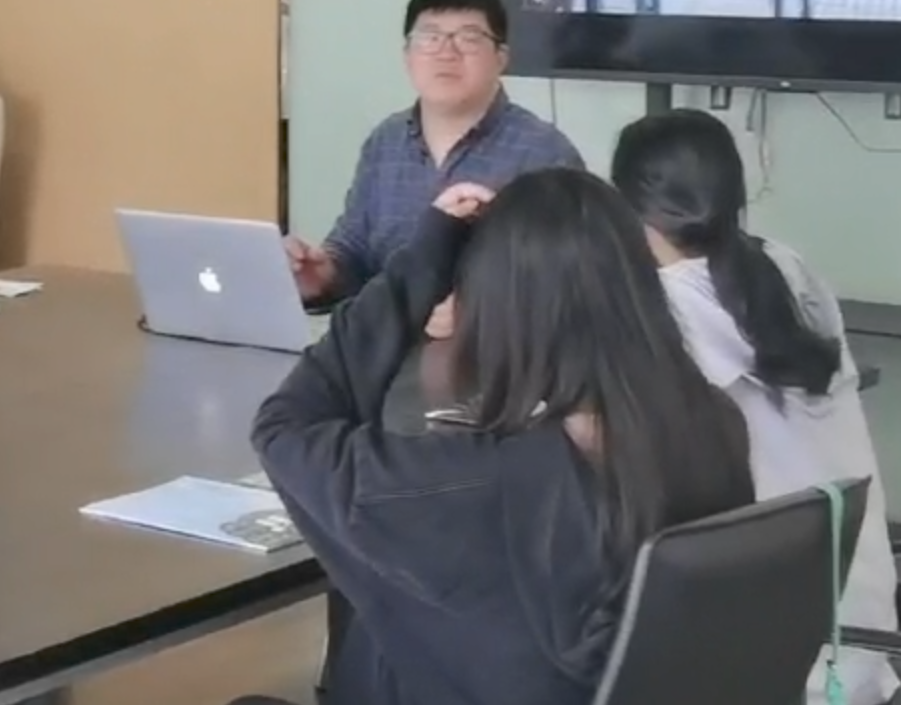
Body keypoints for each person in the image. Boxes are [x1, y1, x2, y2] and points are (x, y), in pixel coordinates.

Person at [248, 167, 753, 705]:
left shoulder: (468, 483)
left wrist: (423, 263)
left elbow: (284, 429)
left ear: (498, 309)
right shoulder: (712, 426)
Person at [612, 109, 900, 705]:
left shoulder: (665, 306)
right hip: (855, 639)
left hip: (775, 670)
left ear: (629, 204)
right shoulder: (786, 268)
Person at [285, 0, 581, 306]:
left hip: (494, 338)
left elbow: (566, 282)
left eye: (469, 38)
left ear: (501, 58)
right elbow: (354, 248)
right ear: (407, 55)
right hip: (389, 336)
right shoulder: (386, 142)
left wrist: (473, 310)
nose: (446, 52)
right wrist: (320, 275)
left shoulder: (545, 153)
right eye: (430, 37)